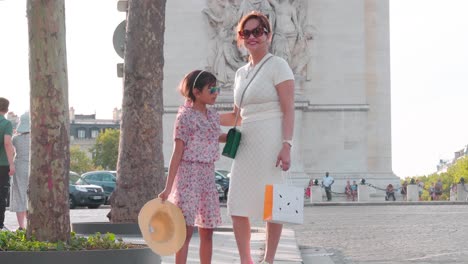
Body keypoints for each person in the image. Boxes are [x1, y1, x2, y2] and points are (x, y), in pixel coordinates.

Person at [220, 11, 295, 264]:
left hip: (271, 138)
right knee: (236, 203)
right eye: (246, 33)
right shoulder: (240, 73)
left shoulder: (279, 65)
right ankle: (246, 260)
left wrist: (287, 145)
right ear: (240, 38)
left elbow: (288, 109)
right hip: (246, 140)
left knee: (272, 203)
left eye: (257, 31)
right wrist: (199, 116)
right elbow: (235, 116)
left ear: (268, 35)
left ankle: (270, 259)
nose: (252, 37)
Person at [158, 70, 225, 264]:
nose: (216, 92)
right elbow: (177, 152)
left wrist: (232, 137)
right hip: (188, 176)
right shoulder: (184, 116)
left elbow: (215, 135)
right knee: (184, 232)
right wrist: (168, 187)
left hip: (207, 176)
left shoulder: (212, 116)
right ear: (196, 91)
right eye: (211, 89)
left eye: (217, 88)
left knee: (207, 231)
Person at [10, 112, 30, 230]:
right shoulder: (37, 138)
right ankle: (31, 224)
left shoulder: (16, 138)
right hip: (33, 167)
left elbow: (11, 151)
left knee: (20, 195)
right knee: (31, 197)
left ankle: (21, 226)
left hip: (19, 167)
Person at [0, 97, 15, 231]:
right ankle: (0, 224)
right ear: (6, 109)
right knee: (1, 195)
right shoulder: (6, 124)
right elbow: (7, 143)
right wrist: (12, 164)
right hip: (2, 164)